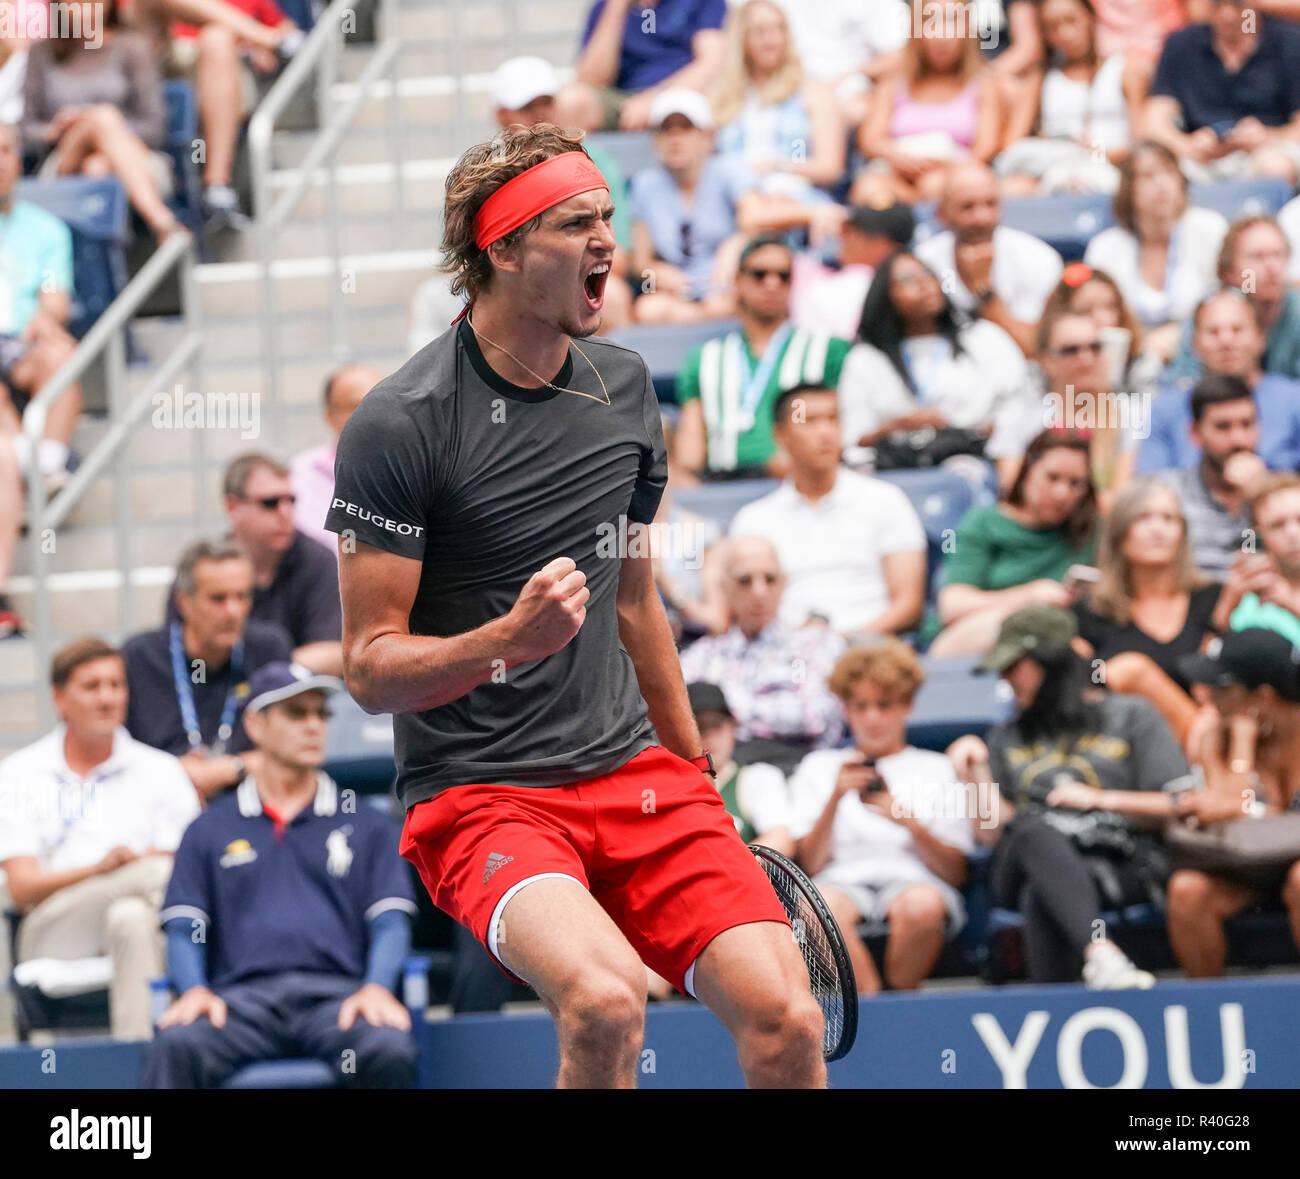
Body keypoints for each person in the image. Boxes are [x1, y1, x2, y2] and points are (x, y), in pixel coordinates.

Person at [325, 124, 825, 1089]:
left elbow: (637, 602)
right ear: (501, 250)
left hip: (639, 771)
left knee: (788, 1019)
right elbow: (368, 667)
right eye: (576, 224)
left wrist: (696, 780)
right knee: (603, 1002)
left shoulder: (627, 387)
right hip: (482, 790)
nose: (608, 241)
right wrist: (506, 640)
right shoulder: (398, 424)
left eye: (608, 217)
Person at [142, 662, 420, 1087]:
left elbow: (389, 922)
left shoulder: (368, 824)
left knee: (386, 1049)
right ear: (255, 723)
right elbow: (185, 928)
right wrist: (195, 990)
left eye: (320, 714)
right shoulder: (208, 829)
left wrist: (377, 988)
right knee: (177, 1046)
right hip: (238, 1007)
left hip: (337, 1002)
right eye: (296, 714)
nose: (313, 726)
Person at [950, 605, 1183, 987]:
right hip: (1023, 855)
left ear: (1052, 662)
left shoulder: (1131, 715)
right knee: (1030, 828)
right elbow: (990, 833)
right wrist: (976, 772)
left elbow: (1177, 805)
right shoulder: (1006, 734)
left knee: (1041, 897)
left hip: (1118, 858)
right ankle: (1101, 952)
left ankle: (1058, 1005)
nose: (1006, 679)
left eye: (1014, 667)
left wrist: (1099, 799)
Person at [0, 638, 199, 1040]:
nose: (108, 698)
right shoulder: (20, 774)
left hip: (141, 920)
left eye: (116, 685)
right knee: (159, 870)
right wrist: (101, 869)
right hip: (52, 929)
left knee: (130, 919)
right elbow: (21, 889)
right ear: (60, 698)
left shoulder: (161, 770)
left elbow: (192, 871)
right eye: (92, 687)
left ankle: (138, 1069)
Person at [790, 639, 975, 994]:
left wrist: (906, 820)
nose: (872, 717)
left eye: (884, 705)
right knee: (816, 910)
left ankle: (898, 1003)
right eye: (860, 706)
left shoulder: (937, 769)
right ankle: (872, 1011)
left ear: (907, 706)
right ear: (845, 709)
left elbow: (956, 872)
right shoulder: (819, 767)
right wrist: (835, 798)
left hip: (917, 880)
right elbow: (809, 865)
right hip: (837, 881)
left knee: (922, 906)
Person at [730, 384, 928, 639]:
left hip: (867, 652)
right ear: (780, 435)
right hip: (781, 654)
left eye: (833, 419)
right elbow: (741, 605)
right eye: (809, 421)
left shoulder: (886, 501)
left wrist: (840, 642)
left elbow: (908, 604)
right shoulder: (753, 519)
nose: (825, 432)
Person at [1166, 628, 1300, 977]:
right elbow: (1230, 803)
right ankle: (1206, 1010)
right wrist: (1242, 744)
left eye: (1223, 689)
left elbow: (1235, 807)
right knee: (1186, 890)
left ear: (1264, 697)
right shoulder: (1216, 736)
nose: (1210, 698)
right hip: (1248, 867)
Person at [673, 234, 850, 481]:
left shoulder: (828, 348)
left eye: (783, 276)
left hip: (797, 480)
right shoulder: (704, 358)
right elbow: (690, 447)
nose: (772, 283)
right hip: (721, 482)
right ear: (738, 281)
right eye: (760, 274)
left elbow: (842, 426)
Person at [123, 538, 291, 798]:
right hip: (158, 805)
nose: (233, 611)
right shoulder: (139, 658)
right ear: (184, 602)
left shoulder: (269, 649)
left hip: (252, 804)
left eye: (242, 596)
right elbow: (114, 756)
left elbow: (292, 750)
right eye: (218, 599)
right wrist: (174, 772)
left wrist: (231, 768)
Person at [838, 249, 1028, 468]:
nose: (923, 283)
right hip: (893, 466)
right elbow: (853, 439)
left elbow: (1017, 408)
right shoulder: (866, 359)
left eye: (928, 274)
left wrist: (959, 428)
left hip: (974, 458)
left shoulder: (983, 337)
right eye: (907, 279)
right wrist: (897, 427)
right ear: (885, 295)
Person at [1073, 476, 1225, 743]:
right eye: (1143, 518)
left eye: (1169, 519)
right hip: (1119, 745)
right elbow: (1078, 686)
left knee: (1134, 670)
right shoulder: (1091, 610)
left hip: (1208, 744)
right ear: (1119, 533)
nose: (1158, 530)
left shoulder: (1214, 598)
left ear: (1183, 533)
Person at [489, 55, 634, 332]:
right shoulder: (483, 173)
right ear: (502, 115)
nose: (540, 114)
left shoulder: (596, 159)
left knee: (611, 295)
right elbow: (461, 261)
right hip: (507, 283)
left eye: (547, 102)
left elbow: (620, 255)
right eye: (527, 106)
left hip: (575, 275)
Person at [679, 534, 845, 773]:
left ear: (784, 584)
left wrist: (724, 705)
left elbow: (813, 718)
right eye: (745, 581)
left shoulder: (815, 643)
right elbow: (676, 711)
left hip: (797, 771)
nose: (759, 592)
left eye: (770, 579)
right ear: (726, 588)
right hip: (722, 777)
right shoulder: (705, 653)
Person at [167, 454, 343, 675]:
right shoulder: (204, 565)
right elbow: (177, 648)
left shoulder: (318, 560)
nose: (285, 513)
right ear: (232, 506)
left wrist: (262, 674)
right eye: (270, 503)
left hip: (296, 695)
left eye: (291, 500)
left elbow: (334, 652)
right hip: (213, 689)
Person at [22, 0, 181, 242]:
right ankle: (163, 223)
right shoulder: (41, 53)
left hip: (137, 157)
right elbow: (24, 129)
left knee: (97, 164)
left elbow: (155, 129)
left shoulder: (132, 47)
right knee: (103, 116)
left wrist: (108, 131)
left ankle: (115, 268)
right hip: (63, 161)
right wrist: (54, 130)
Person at [928, 429, 1097, 656]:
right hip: (976, 641)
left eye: (1075, 483)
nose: (1061, 493)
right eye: (1052, 477)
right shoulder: (984, 522)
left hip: (1056, 651)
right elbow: (952, 605)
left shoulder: (1089, 530)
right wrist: (1030, 596)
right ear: (1027, 470)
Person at [1083, 141, 1227, 364]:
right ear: (1129, 190)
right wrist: (1141, 345)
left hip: (1202, 358)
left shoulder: (1210, 229)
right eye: (1148, 176)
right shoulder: (1104, 248)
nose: (1161, 185)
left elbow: (1230, 302)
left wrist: (1182, 335)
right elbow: (1094, 318)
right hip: (1130, 360)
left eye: (1169, 173)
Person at [628, 88, 762, 324]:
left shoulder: (729, 170)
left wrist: (734, 248)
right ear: (656, 140)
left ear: (707, 137)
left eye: (686, 128)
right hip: (678, 292)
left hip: (729, 285)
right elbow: (641, 261)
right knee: (649, 309)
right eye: (666, 129)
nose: (675, 138)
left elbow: (756, 222)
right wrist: (659, 273)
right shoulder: (645, 185)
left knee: (732, 302)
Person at [851, 0, 1004, 206]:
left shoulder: (984, 84)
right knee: (868, 188)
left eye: (952, 21)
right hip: (897, 177)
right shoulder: (893, 83)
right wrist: (896, 156)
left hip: (954, 179)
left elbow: (986, 148)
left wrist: (948, 168)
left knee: (934, 185)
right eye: (930, 22)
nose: (942, 36)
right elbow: (870, 140)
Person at [166, 0, 299, 225]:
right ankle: (265, 39)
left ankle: (216, 187)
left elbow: (287, 29)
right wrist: (265, 40)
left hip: (224, 63)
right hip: (160, 57)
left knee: (217, 39)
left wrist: (253, 45)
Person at [1139, 290, 1300, 476]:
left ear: (1260, 338)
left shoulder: (1293, 400)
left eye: (1237, 329)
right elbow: (1148, 486)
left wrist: (1266, 485)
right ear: (1194, 344)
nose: (1226, 341)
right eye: (1213, 332)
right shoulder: (1166, 408)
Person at [986, 307, 1142, 498]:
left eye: (1095, 347)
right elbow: (1015, 494)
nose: (1086, 358)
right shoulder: (1021, 418)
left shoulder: (1130, 414)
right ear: (1046, 361)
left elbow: (1120, 500)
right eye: (1071, 350)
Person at [913, 161, 1064, 357]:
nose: (982, 218)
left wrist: (984, 291)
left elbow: (1034, 348)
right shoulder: (922, 262)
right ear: (941, 214)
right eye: (967, 207)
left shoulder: (1038, 258)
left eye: (991, 204)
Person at [0, 121, 79, 491]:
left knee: (60, 351)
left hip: (18, 341)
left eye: (6, 151)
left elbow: (53, 288)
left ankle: (46, 466)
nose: (0, 163)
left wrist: (45, 317)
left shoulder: (45, 230)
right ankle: (18, 472)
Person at [995, 0, 1144, 196]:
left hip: (1109, 166)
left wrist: (1095, 152)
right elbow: (1012, 146)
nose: (1065, 34)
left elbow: (1141, 143)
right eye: (1053, 27)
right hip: (1054, 168)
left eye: (1072, 20)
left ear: (1091, 17)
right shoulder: (1042, 77)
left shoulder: (1125, 70)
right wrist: (1046, 144)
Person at [1144, 0, 1300, 186]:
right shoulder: (1181, 44)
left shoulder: (1289, 42)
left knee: (1274, 166)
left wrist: (1269, 137)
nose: (1228, 15)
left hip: (1266, 151)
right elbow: (1154, 121)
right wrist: (1186, 145)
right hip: (1200, 159)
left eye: (1238, 4)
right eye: (1217, 4)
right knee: (1154, 174)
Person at [710, 1, 845, 196]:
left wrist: (777, 165)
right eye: (760, 31)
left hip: (794, 196)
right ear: (742, 38)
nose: (771, 40)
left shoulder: (812, 92)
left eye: (778, 29)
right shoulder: (721, 96)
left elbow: (831, 168)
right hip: (734, 198)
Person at [1166, 216, 1300, 384]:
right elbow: (1184, 382)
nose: (1271, 267)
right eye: (1257, 257)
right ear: (1229, 272)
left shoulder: (1296, 311)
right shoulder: (1210, 312)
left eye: (1278, 255)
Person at [558, 0, 727, 133]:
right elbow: (589, 80)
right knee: (572, 101)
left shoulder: (703, 2)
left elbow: (711, 63)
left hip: (682, 93)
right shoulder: (603, 7)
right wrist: (616, 7)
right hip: (624, 101)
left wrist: (657, 97)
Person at [1159, 373, 1268, 578]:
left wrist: (1259, 501)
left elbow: (1254, 556)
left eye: (1247, 424)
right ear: (1194, 433)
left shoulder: (1280, 497)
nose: (1238, 439)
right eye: (1222, 427)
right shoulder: (1168, 494)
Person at [687, 680, 794, 853]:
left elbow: (781, 840)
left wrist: (732, 870)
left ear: (733, 727)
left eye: (716, 724)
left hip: (739, 877)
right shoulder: (670, 788)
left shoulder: (757, 778)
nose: (710, 736)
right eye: (699, 727)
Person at [1037, 262, 1163, 406]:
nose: (1103, 319)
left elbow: (1150, 416)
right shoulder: (1042, 369)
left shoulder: (1141, 364)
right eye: (1086, 309)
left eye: (1110, 306)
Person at [789, 200, 916, 340]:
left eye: (858, 232)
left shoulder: (891, 290)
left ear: (886, 245)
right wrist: (813, 213)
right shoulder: (816, 271)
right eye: (847, 229)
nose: (843, 235)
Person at [289, 364, 380, 556]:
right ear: (330, 415)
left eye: (377, 402)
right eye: (355, 405)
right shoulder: (299, 475)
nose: (370, 414)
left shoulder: (411, 471)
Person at [770, 0, 908, 125]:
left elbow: (901, 53)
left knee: (852, 107)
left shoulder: (873, 5)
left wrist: (854, 75)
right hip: (788, 83)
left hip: (849, 88)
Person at [1218, 473, 1300, 647]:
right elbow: (1206, 661)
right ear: (1256, 538)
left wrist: (1291, 605)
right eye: (1277, 525)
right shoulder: (1244, 598)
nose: (1293, 534)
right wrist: (1227, 604)